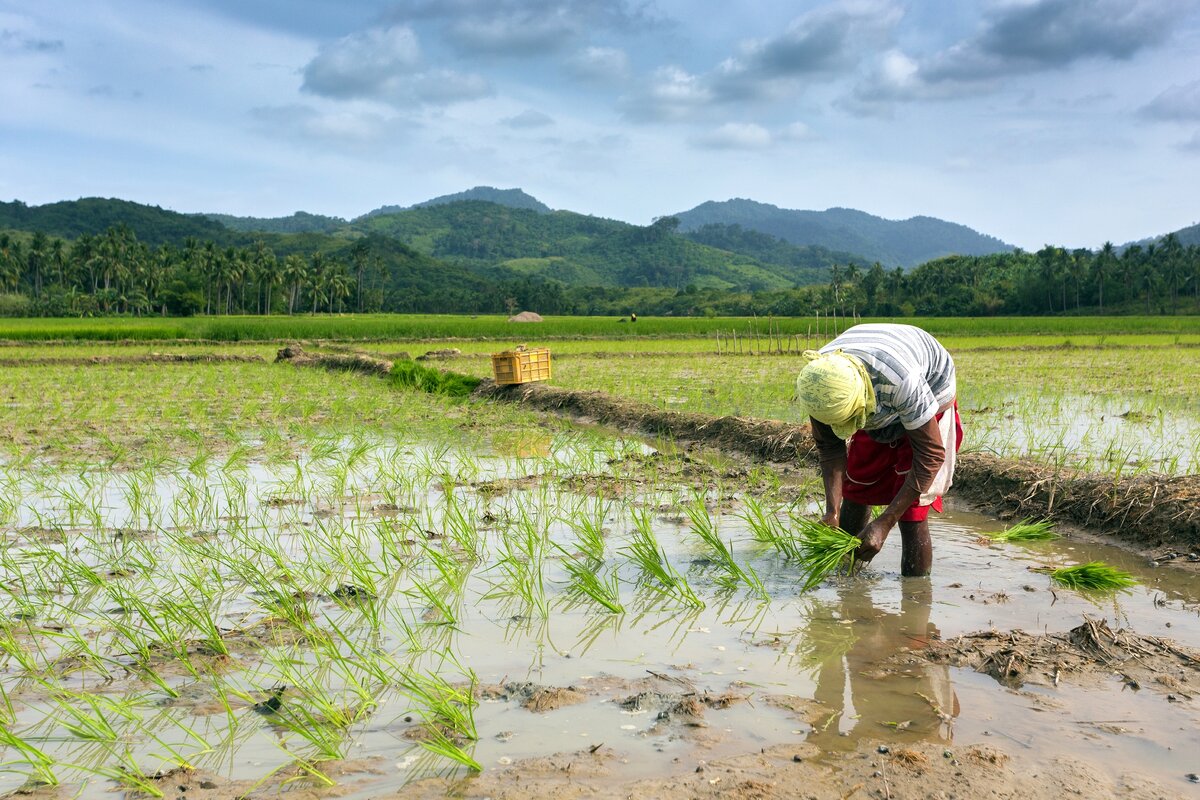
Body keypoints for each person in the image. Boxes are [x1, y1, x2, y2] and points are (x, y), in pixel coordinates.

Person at [795, 323, 962, 576]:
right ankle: (848, 579)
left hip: (930, 392)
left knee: (911, 510)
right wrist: (832, 511)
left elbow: (931, 455)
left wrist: (885, 522)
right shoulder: (820, 385)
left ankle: (915, 597)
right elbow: (830, 449)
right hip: (875, 393)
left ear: (859, 402)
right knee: (857, 485)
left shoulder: (903, 382)